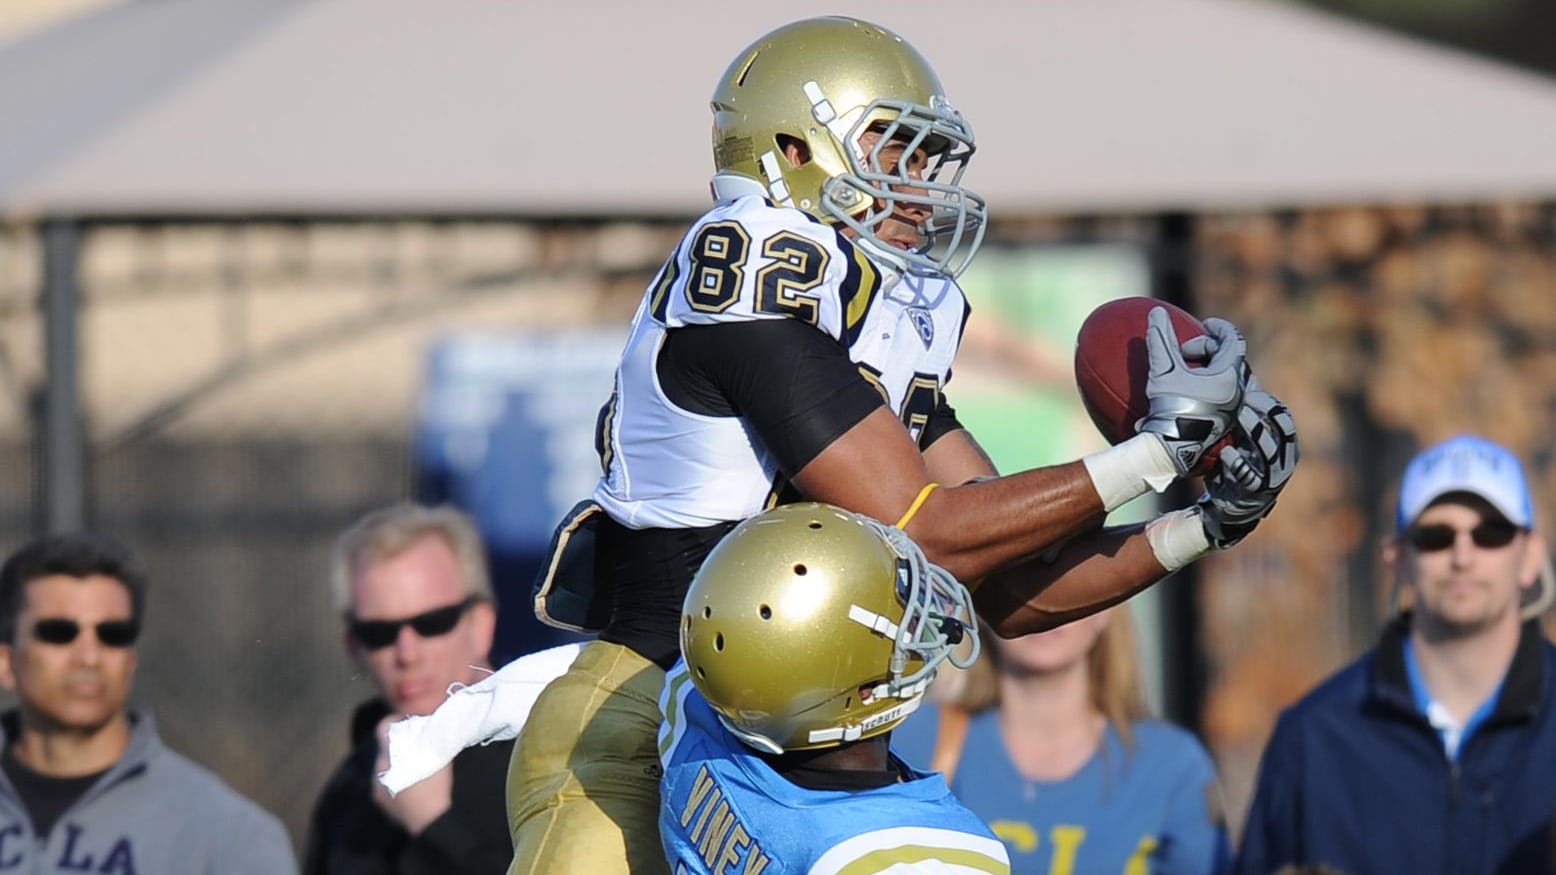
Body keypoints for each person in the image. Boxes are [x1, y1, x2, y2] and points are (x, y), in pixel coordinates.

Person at [511, 14, 1300, 875]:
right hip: (635, 732)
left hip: (796, 756)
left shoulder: (873, 320)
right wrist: (1156, 453)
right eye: (896, 151)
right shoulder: (749, 274)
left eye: (929, 159)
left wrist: (1206, 519)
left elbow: (1013, 588)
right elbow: (925, 526)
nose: (920, 183)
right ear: (795, 151)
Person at [1236, 434, 1556, 875]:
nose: (1463, 556)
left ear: (1530, 556)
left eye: (1491, 533)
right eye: (1436, 536)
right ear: (1397, 557)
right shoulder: (1314, 740)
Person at [660, 503, 1009, 874]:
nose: (918, 625)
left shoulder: (693, 706)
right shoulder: (909, 854)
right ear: (864, 691)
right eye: (902, 615)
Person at [0, 532, 296, 873]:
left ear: (131, 660)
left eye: (113, 635)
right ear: (6, 662)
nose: (89, 656)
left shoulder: (230, 836)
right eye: (58, 632)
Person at [892, 608, 1231, 875]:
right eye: (1024, 579)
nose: (1048, 606)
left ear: (1105, 610)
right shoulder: (913, 742)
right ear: (984, 607)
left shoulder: (1172, 766)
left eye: (1073, 582)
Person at [304, 502, 511, 874]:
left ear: (480, 625)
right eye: (379, 633)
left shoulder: (549, 754)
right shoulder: (350, 785)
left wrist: (435, 826)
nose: (406, 653)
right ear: (354, 647)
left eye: (433, 622)